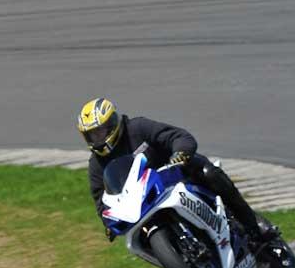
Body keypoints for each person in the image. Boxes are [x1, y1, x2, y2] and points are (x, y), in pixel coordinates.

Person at [76, 97, 276, 242]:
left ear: (112, 124)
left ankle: (253, 225)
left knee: (210, 174)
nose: (97, 139)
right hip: (144, 201)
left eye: (99, 132)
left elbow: (178, 136)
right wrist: (108, 222)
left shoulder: (137, 128)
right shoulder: (97, 163)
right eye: (91, 135)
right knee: (138, 233)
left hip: (177, 174)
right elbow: (101, 199)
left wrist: (180, 154)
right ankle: (181, 255)